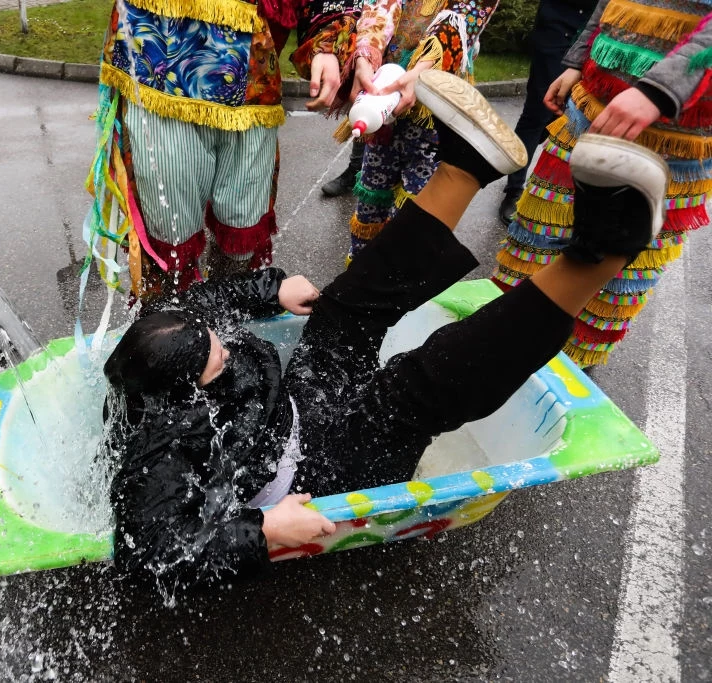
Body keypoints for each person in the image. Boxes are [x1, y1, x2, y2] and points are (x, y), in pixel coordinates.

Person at [103, 71, 669, 589]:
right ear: (186, 401)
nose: (225, 346)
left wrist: (269, 290)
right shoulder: (162, 450)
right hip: (317, 473)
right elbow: (152, 556)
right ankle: (602, 254)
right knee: (409, 386)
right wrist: (266, 530)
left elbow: (195, 300)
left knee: (342, 308)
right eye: (218, 361)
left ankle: (465, 167)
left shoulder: (152, 352)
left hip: (295, 407)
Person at [86, 0, 387, 298]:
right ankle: (170, 331)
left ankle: (229, 320)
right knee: (168, 242)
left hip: (252, 86)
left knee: (242, 228)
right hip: (157, 73)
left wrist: (326, 44)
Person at [493, 2, 712, 366]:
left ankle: (566, 377)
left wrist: (658, 90)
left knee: (615, 273)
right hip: (589, 106)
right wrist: (577, 61)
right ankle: (494, 356)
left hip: (676, 139)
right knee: (532, 240)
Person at [337, 0, 500, 264]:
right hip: (385, 104)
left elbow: (465, 17)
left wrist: (423, 70)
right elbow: (380, 6)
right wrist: (365, 56)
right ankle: (357, 281)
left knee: (414, 214)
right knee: (371, 201)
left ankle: (396, 292)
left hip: (433, 114)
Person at [496, 0, 598, 225]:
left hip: (596, 39)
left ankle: (567, 196)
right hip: (557, 32)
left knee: (571, 118)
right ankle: (514, 188)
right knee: (537, 112)